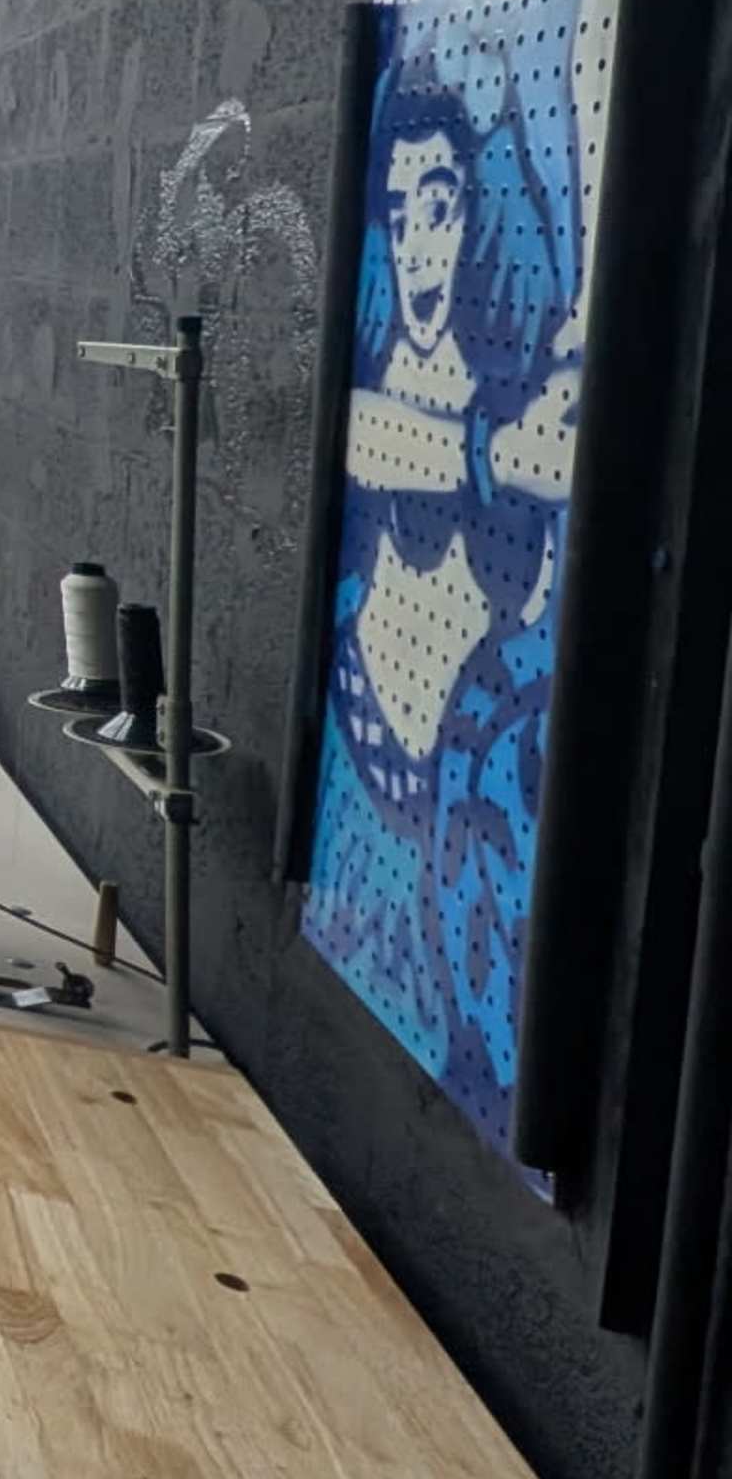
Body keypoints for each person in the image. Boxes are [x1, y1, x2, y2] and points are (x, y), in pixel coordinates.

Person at [299, 61, 573, 1162]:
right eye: (401, 213)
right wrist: (497, 454)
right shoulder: (426, 410)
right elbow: (370, 435)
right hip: (372, 784)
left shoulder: (504, 380)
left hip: (447, 826)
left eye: (441, 207)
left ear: (473, 219)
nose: (419, 242)